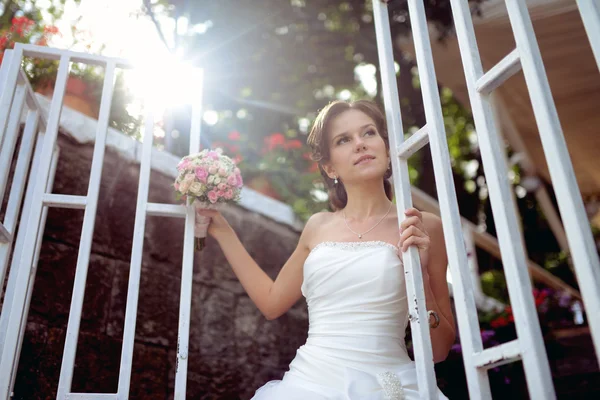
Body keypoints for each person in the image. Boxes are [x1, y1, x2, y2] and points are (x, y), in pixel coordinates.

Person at [197, 100, 454, 399]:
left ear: (386, 148)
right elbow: (271, 303)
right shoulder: (317, 226)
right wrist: (221, 231)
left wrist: (418, 275)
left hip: (391, 384)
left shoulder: (422, 226)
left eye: (368, 133)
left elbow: (439, 351)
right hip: (308, 384)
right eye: (344, 140)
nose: (360, 144)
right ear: (330, 166)